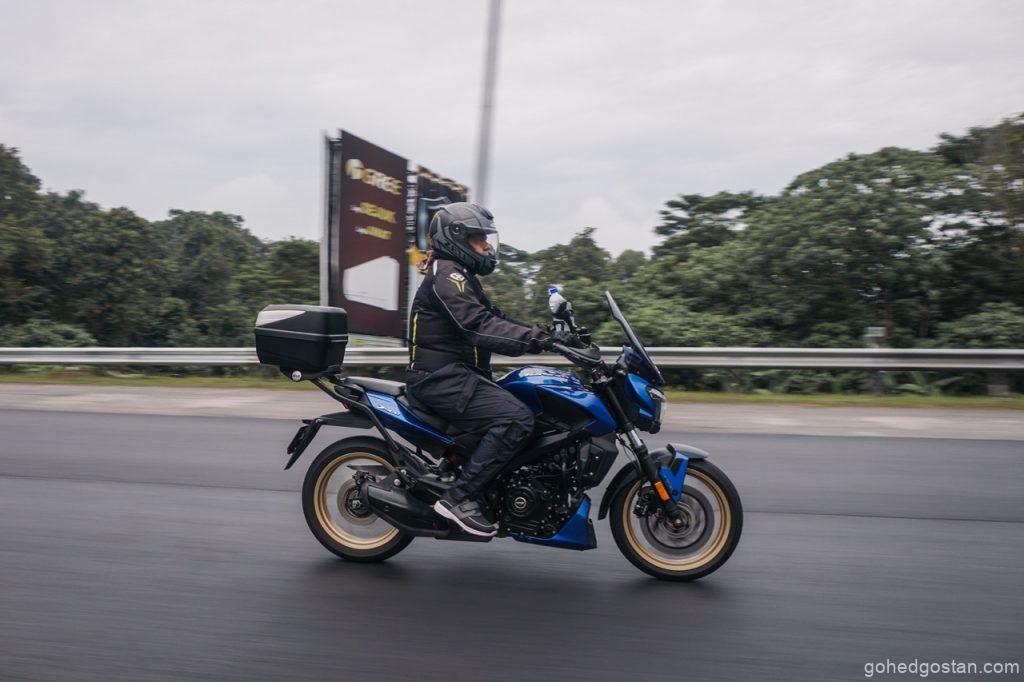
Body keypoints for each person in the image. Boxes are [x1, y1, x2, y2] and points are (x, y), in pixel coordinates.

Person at [405, 202, 574, 537]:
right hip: (440, 379)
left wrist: (551, 335)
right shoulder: (447, 276)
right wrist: (539, 340)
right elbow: (478, 325)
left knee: (530, 407)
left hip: (460, 376)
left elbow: (496, 319)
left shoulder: (460, 277)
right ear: (456, 239)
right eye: (478, 239)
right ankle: (457, 499)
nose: (486, 246)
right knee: (516, 419)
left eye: (486, 239)